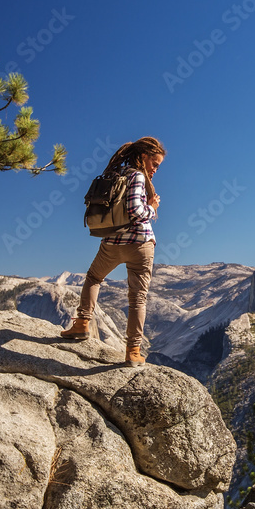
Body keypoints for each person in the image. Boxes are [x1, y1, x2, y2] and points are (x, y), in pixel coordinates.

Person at [60, 137, 165, 367]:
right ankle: (133, 351)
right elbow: (135, 210)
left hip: (112, 242)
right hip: (140, 244)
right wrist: (153, 207)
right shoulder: (137, 176)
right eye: (155, 164)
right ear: (144, 157)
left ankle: (81, 325)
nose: (155, 169)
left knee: (94, 278)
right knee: (137, 297)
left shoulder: (118, 174)